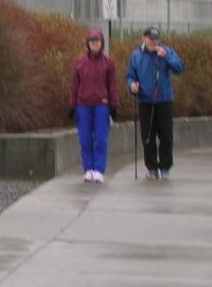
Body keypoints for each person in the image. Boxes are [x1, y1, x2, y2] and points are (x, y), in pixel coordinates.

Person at [126, 26, 185, 180]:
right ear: (143, 38)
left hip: (164, 99)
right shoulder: (136, 56)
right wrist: (132, 86)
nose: (153, 42)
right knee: (148, 136)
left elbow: (179, 68)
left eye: (156, 39)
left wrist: (166, 57)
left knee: (166, 136)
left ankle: (165, 167)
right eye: (150, 39)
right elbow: (130, 76)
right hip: (145, 100)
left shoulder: (166, 51)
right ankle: (151, 167)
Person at [69, 29, 120, 183]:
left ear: (101, 43)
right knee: (84, 139)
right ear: (88, 43)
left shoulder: (108, 63)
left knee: (100, 139)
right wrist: (72, 105)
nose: (94, 44)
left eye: (97, 41)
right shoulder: (80, 63)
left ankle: (98, 169)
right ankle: (88, 169)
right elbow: (74, 86)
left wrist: (114, 104)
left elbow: (112, 85)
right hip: (83, 104)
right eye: (92, 41)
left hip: (101, 105)